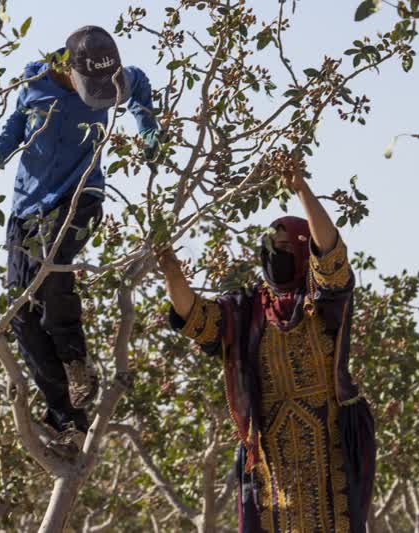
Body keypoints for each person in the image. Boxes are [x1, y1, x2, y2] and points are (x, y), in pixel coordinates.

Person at [0, 26, 160, 458]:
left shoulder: (112, 77)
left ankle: (76, 361)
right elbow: (16, 123)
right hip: (26, 210)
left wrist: (147, 125)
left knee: (52, 274)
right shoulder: (36, 79)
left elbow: (140, 84)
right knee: (21, 316)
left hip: (79, 197)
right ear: (65, 66)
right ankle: (67, 419)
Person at [157, 159, 375, 532]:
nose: (275, 256)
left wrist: (302, 191)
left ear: (302, 251)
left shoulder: (322, 297)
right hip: (271, 452)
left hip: (331, 439)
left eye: (284, 248)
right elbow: (195, 317)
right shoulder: (245, 309)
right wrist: (171, 271)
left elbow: (331, 254)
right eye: (269, 249)